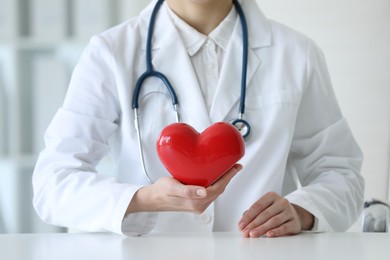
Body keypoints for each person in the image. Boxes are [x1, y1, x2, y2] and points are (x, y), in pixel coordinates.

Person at [32, 0, 364, 238]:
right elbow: (52, 183)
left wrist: (302, 211)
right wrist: (144, 199)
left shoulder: (296, 53)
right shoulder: (111, 52)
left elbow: (340, 173)